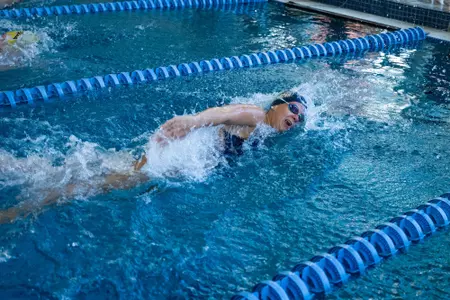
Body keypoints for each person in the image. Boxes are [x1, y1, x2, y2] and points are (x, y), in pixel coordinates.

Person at [0, 91, 308, 223]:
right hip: (172, 158)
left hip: (175, 155)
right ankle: (16, 212)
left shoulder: (264, 133)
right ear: (278, 104)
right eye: (293, 108)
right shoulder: (255, 115)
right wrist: (192, 120)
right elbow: (223, 113)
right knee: (95, 185)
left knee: (82, 166)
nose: (296, 116)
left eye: (301, 117)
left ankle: (10, 165)